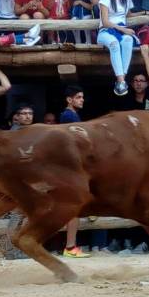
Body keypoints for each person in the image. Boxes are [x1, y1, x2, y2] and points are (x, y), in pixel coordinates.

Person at [97, 0, 149, 97]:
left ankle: (121, 80)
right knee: (114, 44)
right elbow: (105, 22)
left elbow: (128, 15)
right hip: (106, 32)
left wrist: (145, 13)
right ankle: (121, 81)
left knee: (128, 41)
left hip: (121, 31)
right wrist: (123, 29)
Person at [57, 85, 91, 259]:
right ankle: (70, 247)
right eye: (78, 97)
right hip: (70, 169)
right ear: (69, 100)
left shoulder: (71, 115)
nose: (82, 100)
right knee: (73, 209)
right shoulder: (68, 116)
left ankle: (71, 246)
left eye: (82, 97)